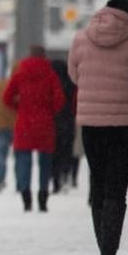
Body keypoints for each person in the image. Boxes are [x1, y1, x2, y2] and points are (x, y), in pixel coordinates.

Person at [67, 0, 128, 255]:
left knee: (99, 185)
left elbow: (74, 74)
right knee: (117, 189)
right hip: (126, 126)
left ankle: (103, 248)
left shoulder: (80, 39)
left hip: (92, 124)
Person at [3, 45, 65, 212]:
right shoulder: (51, 75)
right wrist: (48, 110)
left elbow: (7, 97)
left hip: (24, 123)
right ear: (44, 56)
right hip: (45, 123)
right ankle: (43, 196)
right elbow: (59, 100)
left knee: (24, 161)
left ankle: (26, 197)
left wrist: (20, 108)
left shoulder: (20, 74)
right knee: (45, 162)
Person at [50, 58, 80, 193]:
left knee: (55, 152)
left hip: (54, 121)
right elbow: (75, 102)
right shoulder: (71, 83)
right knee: (67, 151)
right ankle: (66, 174)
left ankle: (55, 179)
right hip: (68, 121)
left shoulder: (52, 83)